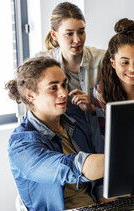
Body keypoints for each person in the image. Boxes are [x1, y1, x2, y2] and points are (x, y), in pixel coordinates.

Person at [6, 56, 105, 211]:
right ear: (30, 95)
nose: (64, 93)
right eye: (53, 88)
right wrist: (124, 159)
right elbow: (71, 167)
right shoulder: (20, 145)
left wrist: (102, 195)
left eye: (64, 85)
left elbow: (99, 176)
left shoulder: (76, 120)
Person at [36, 2, 105, 153]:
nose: (77, 40)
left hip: (102, 141)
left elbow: (117, 103)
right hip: (66, 147)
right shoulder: (42, 66)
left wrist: (92, 108)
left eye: (81, 32)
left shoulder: (102, 60)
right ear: (55, 34)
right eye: (69, 33)